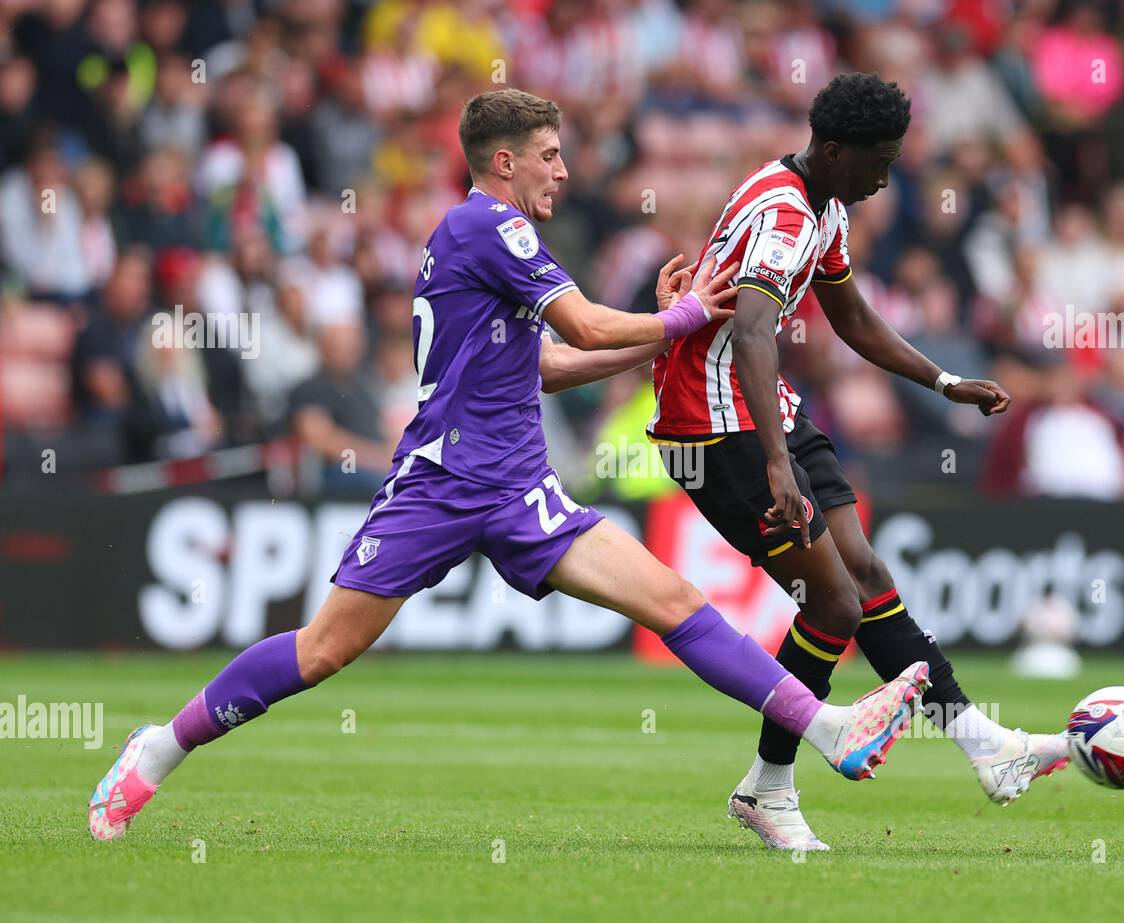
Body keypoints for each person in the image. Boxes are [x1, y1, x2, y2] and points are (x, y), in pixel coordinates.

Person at [88, 88, 931, 842]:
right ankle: (159, 745)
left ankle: (826, 731)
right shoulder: (486, 225)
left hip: (521, 488)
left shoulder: (487, 237)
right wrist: (672, 321)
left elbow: (547, 365)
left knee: (674, 601)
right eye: (550, 156)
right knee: (322, 653)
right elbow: (588, 331)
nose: (563, 172)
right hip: (443, 481)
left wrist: (652, 329)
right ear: (505, 161)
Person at [648, 73, 1069, 852]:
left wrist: (942, 381)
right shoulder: (780, 212)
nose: (886, 179)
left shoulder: (826, 203)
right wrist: (777, 466)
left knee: (865, 575)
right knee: (833, 606)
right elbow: (752, 329)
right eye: (878, 162)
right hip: (711, 426)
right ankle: (767, 788)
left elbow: (850, 316)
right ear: (835, 150)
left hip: (763, 410)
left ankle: (983, 743)